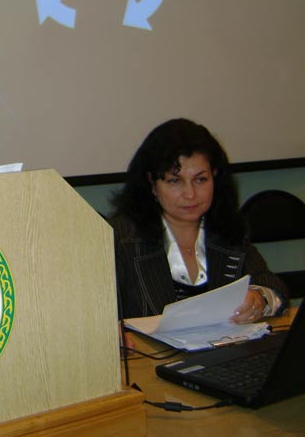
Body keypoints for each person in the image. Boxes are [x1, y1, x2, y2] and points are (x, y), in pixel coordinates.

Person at [108, 118, 288, 323]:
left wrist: (260, 298)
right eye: (175, 181)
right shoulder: (121, 237)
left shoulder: (227, 228)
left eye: (201, 179)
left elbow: (271, 285)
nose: (190, 194)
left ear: (215, 178)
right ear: (152, 184)